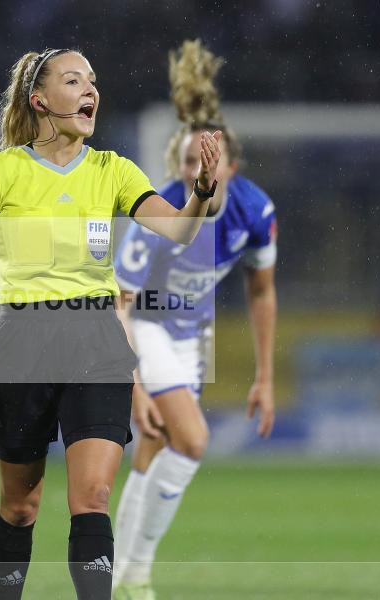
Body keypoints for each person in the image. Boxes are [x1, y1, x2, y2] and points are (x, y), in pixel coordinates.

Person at [0, 47, 222, 600]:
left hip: (96, 339)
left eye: (93, 81)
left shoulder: (112, 169)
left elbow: (180, 232)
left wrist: (201, 194)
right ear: (40, 99)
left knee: (91, 497)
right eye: (75, 81)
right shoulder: (0, 173)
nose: (91, 90)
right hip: (22, 341)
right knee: (20, 506)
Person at [110, 40, 278, 600]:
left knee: (152, 452)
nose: (194, 171)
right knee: (193, 439)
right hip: (146, 329)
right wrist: (133, 385)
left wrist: (265, 377)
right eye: (185, 163)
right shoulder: (158, 215)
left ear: (230, 165)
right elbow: (121, 306)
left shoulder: (254, 211)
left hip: (189, 335)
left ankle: (117, 578)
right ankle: (137, 575)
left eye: (203, 161)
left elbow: (261, 290)